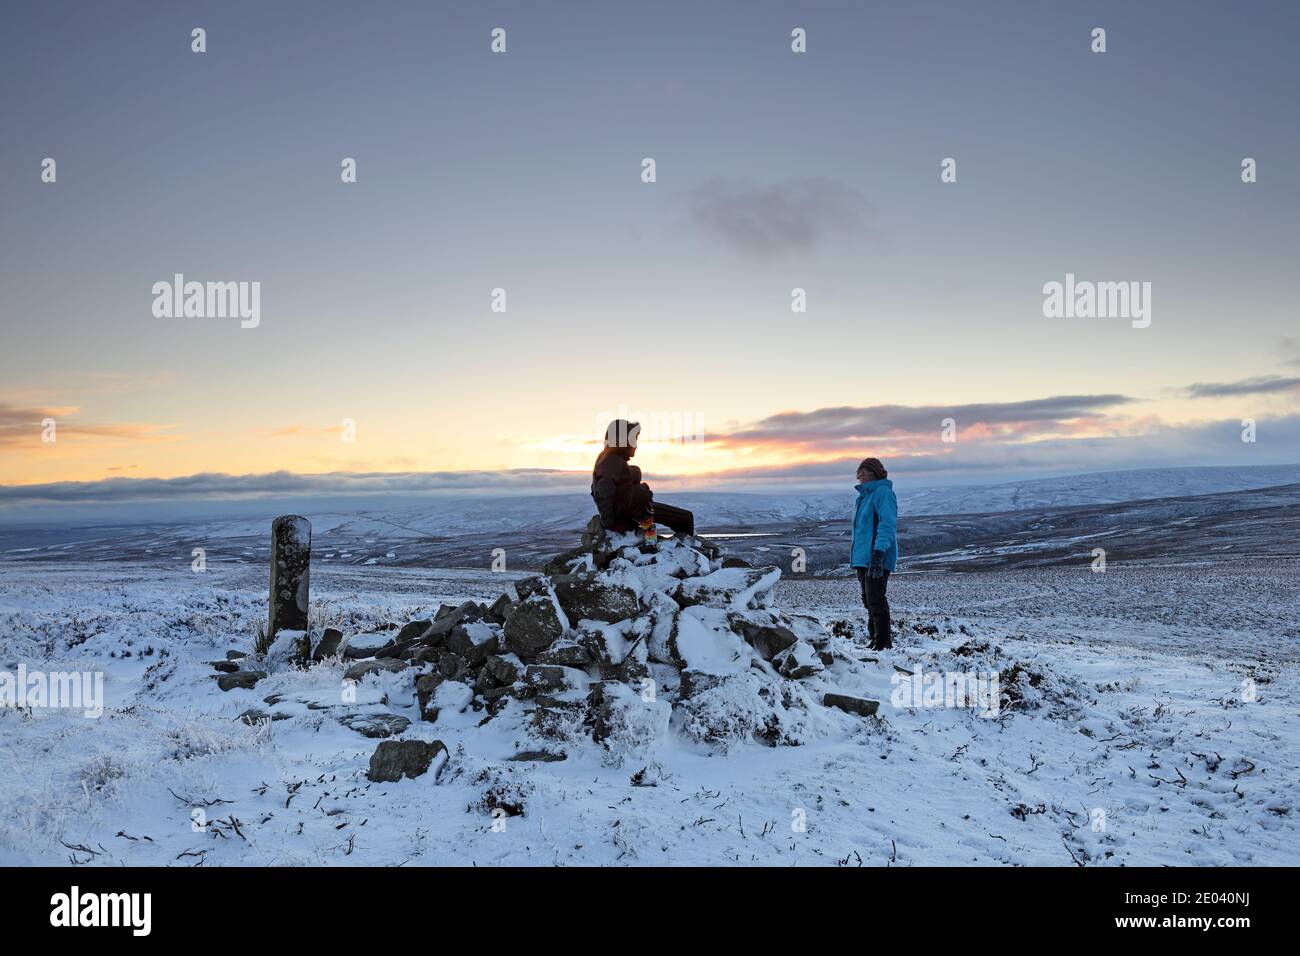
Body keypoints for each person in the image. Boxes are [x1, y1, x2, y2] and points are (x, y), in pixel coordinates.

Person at [591, 419, 695, 540]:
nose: (636, 445)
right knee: (685, 518)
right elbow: (604, 493)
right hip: (627, 516)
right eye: (633, 440)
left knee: (681, 517)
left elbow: (613, 486)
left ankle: (674, 542)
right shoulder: (612, 461)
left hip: (631, 512)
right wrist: (612, 524)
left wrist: (635, 475)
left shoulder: (608, 458)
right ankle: (685, 546)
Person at [850, 456, 898, 650]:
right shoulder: (863, 497)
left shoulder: (883, 493)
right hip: (863, 557)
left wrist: (878, 554)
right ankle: (875, 639)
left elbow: (887, 524)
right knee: (868, 600)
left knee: (876, 598)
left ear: (875, 472)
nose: (860, 474)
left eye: (865, 470)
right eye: (859, 471)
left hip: (877, 556)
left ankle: (883, 643)